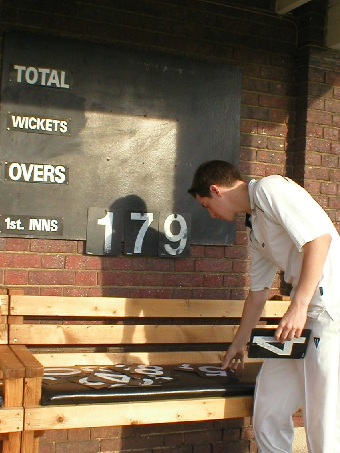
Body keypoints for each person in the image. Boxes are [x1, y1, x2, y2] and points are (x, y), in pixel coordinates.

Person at [188, 160, 340, 453]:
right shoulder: (254, 227)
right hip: (304, 311)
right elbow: (257, 294)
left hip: (328, 308)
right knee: (269, 405)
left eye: (207, 205)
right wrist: (238, 343)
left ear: (216, 190)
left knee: (322, 416)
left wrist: (298, 305)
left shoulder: (271, 188)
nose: (211, 214)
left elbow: (319, 239)